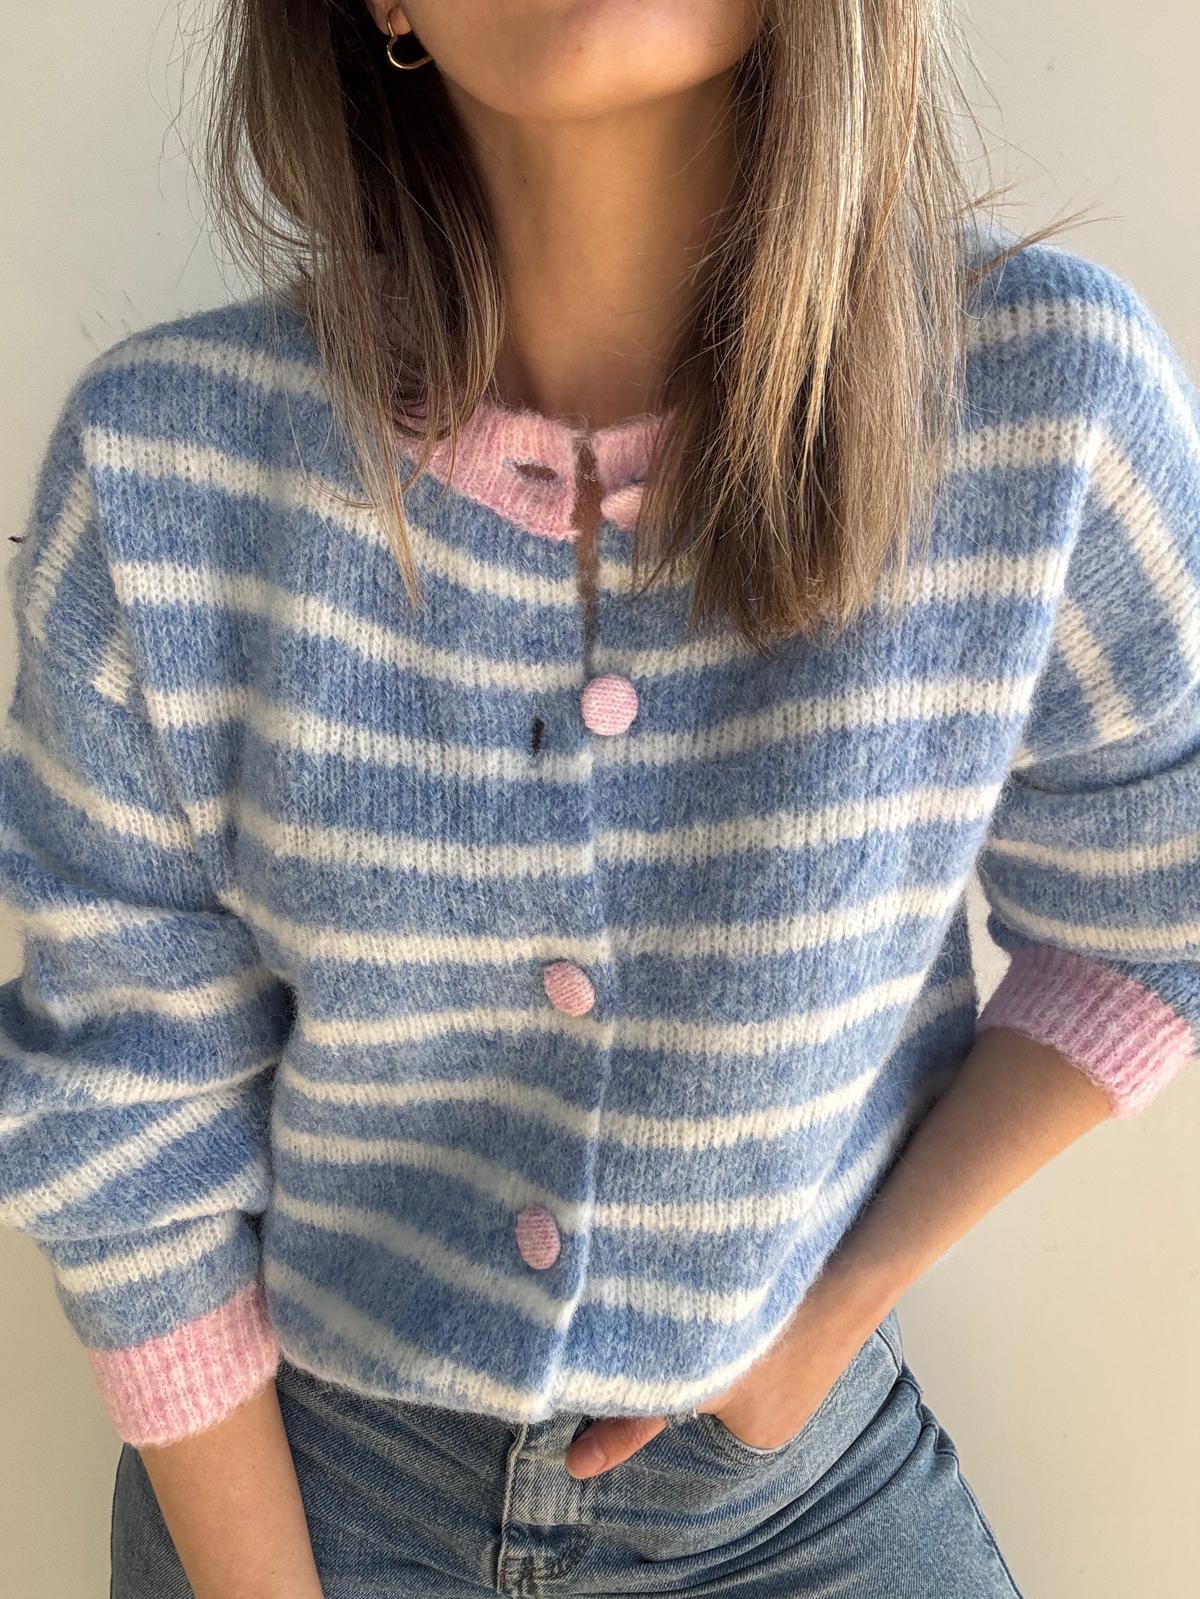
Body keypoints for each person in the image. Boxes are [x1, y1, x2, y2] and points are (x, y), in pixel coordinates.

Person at [3, 3, 1197, 1595]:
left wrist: (828, 1315)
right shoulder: (166, 468)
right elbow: (126, 1117)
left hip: (795, 1502)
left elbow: (1157, 903)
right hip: (294, 1500)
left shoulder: (1040, 402)